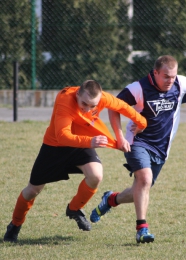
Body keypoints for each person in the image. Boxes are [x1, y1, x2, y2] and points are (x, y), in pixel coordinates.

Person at [90, 55, 186, 243]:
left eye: (172, 76)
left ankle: (110, 199)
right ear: (155, 72)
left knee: (140, 189)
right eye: (165, 76)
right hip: (137, 142)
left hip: (162, 149)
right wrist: (120, 136)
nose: (170, 81)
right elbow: (113, 107)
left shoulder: (180, 84)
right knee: (145, 179)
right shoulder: (138, 88)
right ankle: (142, 229)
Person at [3, 80, 147, 243]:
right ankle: (15, 225)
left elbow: (122, 107)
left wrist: (142, 123)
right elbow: (62, 136)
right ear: (77, 94)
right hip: (55, 147)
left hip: (82, 142)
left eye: (93, 106)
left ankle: (74, 208)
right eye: (84, 104)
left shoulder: (101, 98)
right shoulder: (65, 100)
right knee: (32, 190)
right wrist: (90, 142)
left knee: (95, 176)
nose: (87, 109)